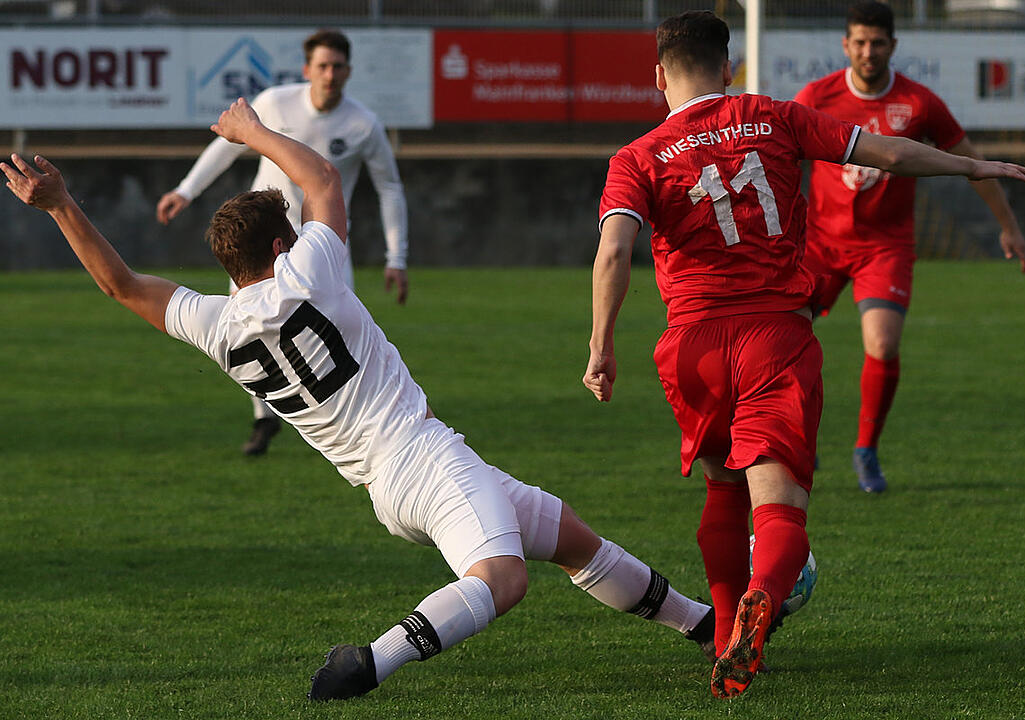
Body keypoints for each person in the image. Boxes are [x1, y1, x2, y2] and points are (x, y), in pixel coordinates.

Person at [2, 99, 718, 703]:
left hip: (384, 489)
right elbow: (319, 177)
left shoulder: (215, 327)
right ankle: (371, 662)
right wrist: (252, 131)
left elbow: (122, 284)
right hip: (424, 457)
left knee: (572, 540)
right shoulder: (309, 273)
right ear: (284, 245)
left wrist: (61, 204)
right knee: (503, 579)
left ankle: (703, 625)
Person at [583, 10, 1025, 699]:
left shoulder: (639, 155)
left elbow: (614, 249)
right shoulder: (778, 117)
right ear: (728, 68)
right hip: (775, 336)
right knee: (781, 508)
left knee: (721, 489)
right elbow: (889, 153)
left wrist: (601, 346)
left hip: (693, 347)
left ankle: (729, 625)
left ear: (658, 77)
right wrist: (971, 165)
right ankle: (764, 599)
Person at [793, 1, 1025, 493]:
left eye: (878, 43)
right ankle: (798, 437)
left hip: (885, 245)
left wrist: (1008, 225)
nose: (868, 51)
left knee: (882, 342)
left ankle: (866, 451)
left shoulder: (919, 103)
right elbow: (780, 158)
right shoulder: (817, 96)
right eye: (859, 42)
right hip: (821, 242)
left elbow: (972, 164)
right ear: (845, 45)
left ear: (893, 46)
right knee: (786, 336)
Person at [157, 29, 410, 457]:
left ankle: (344, 417)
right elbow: (227, 145)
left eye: (338, 66)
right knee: (247, 327)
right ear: (307, 69)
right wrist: (186, 189)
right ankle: (263, 419)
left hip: (319, 243)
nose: (330, 74)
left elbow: (390, 188)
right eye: (322, 66)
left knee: (337, 328)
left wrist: (396, 255)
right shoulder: (275, 102)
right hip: (259, 244)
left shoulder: (363, 123)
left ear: (348, 71)